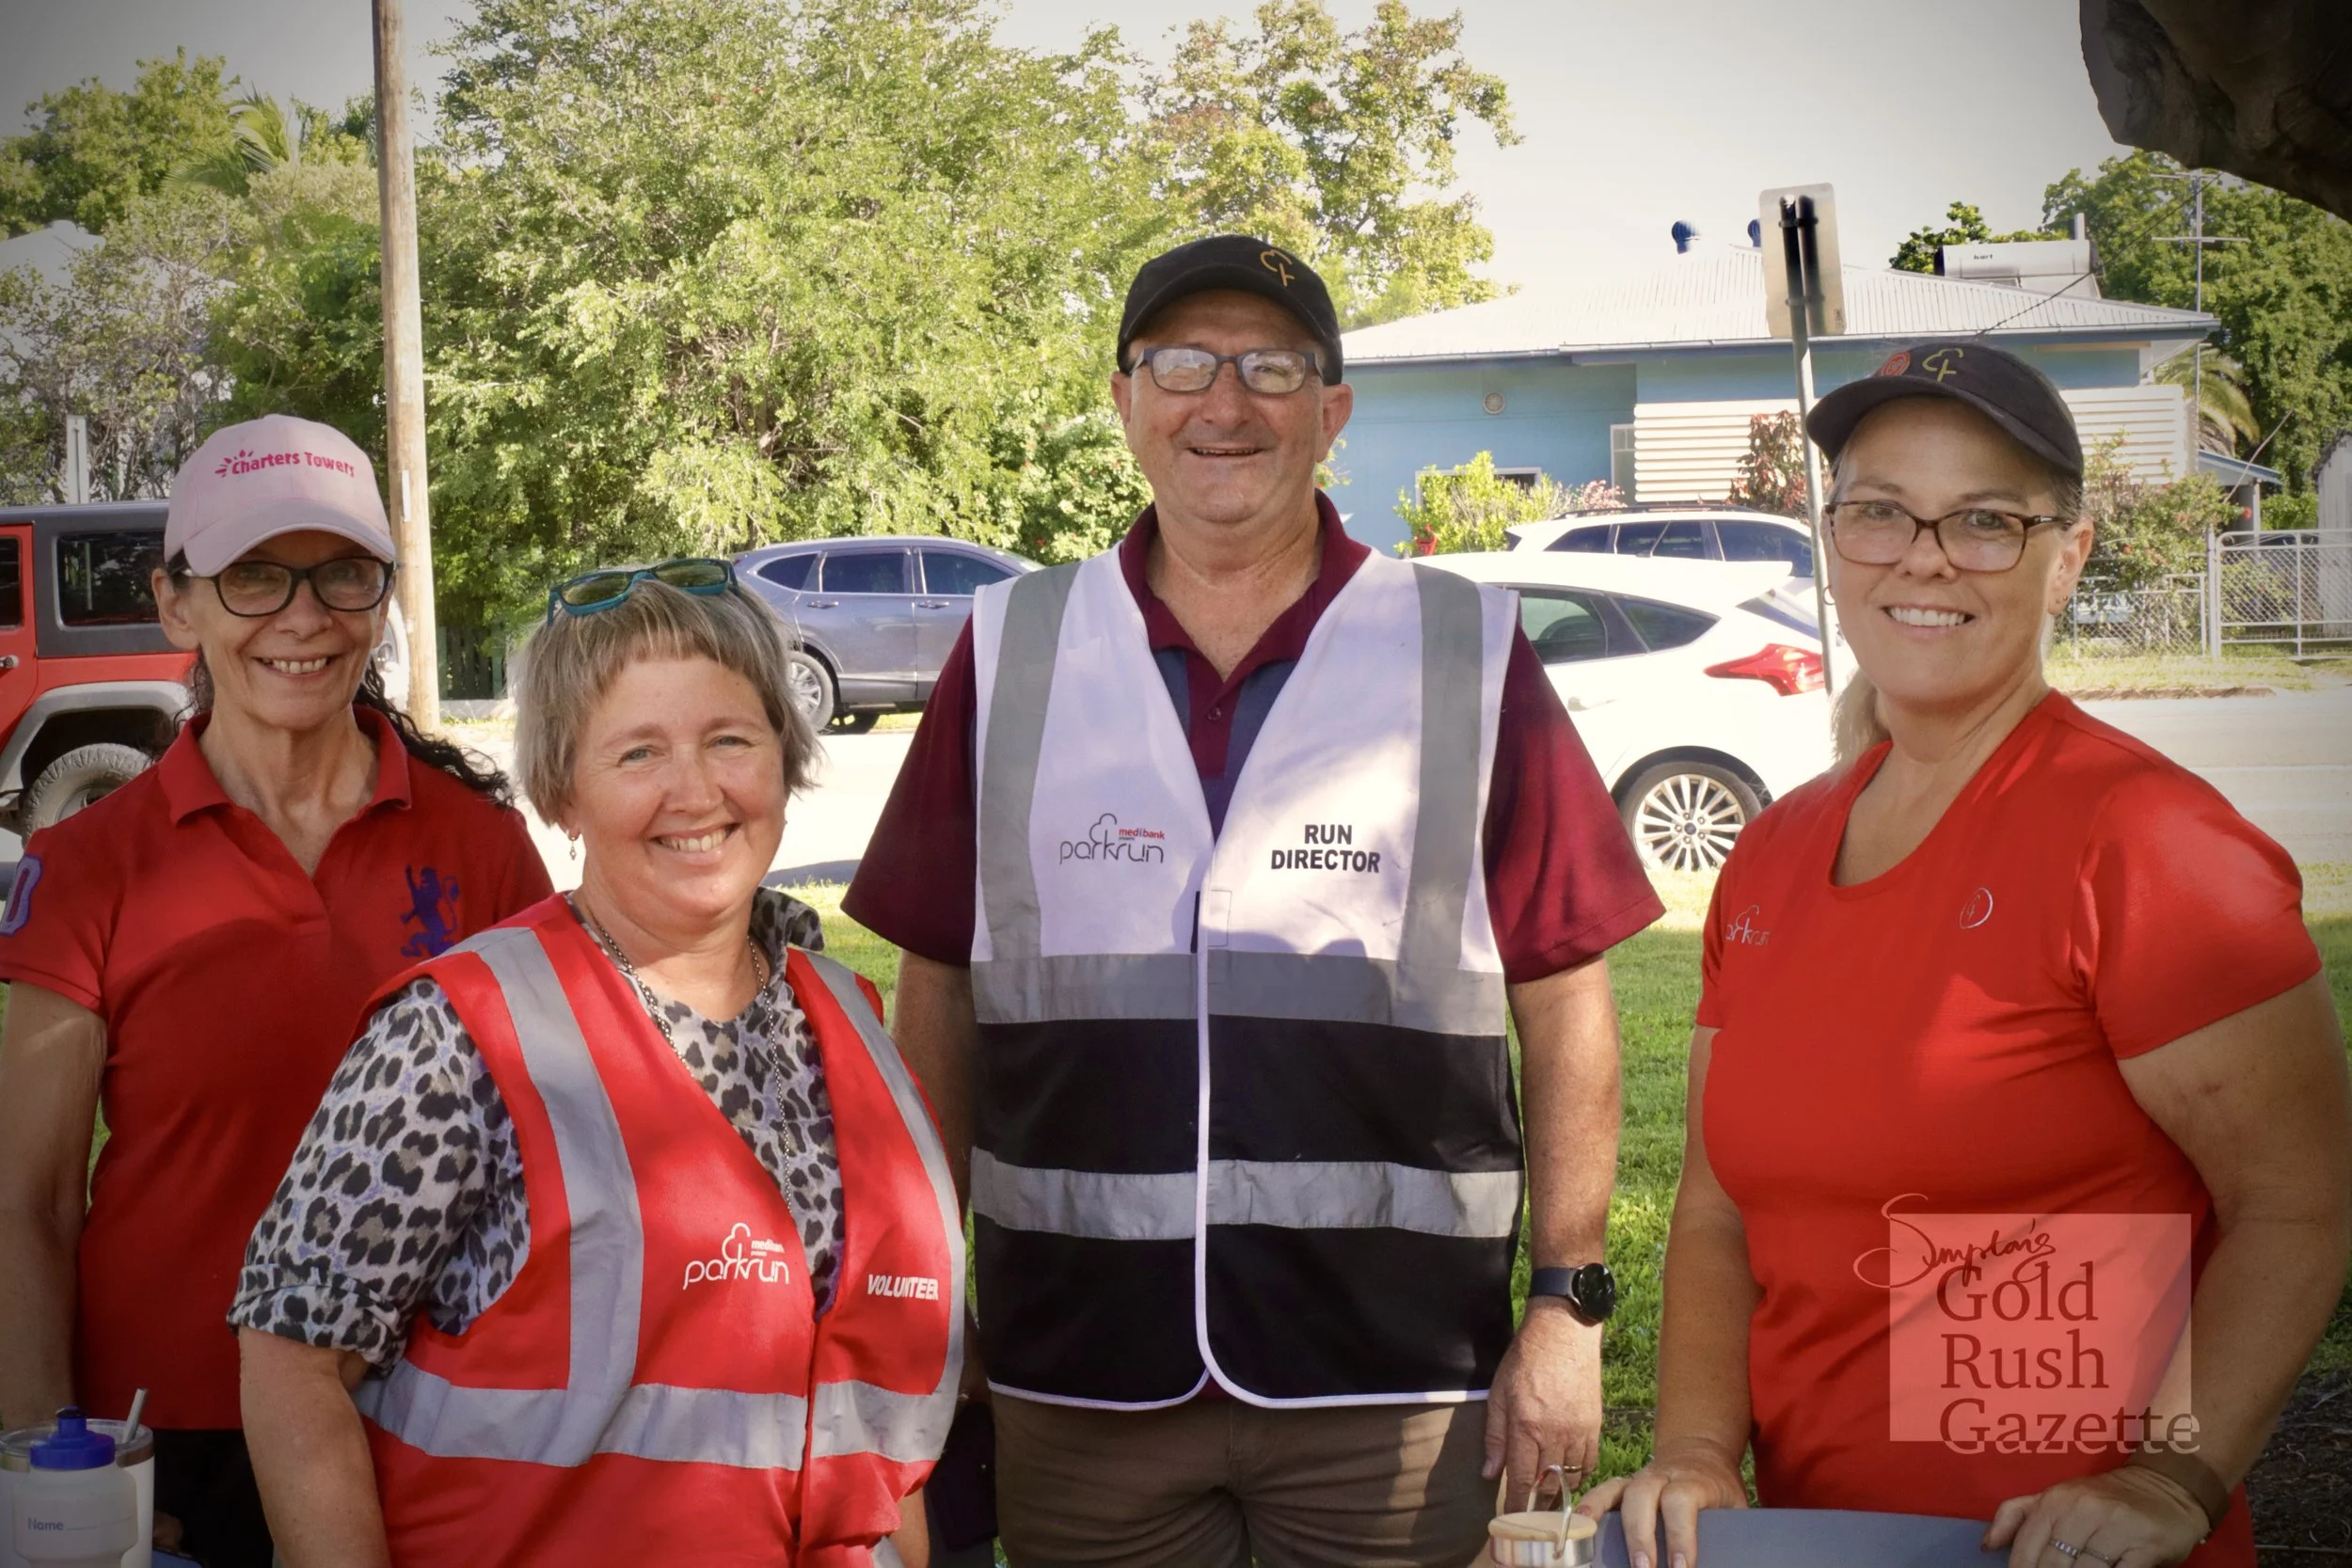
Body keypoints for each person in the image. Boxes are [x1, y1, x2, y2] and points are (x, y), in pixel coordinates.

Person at [844, 235, 1663, 1567]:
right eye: (1181, 363)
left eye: (1270, 367)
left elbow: (1565, 996)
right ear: (1123, 401)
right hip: (1081, 1374)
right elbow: (937, 986)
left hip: (1392, 1383)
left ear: (1332, 412)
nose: (1223, 403)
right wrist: (935, 1300)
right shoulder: (1011, 649)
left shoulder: (1464, 645)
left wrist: (1569, 1305)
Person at [1579, 342, 2351, 1568]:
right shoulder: (1771, 857)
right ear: (1832, 540)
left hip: (2071, 1551)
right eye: (1881, 510)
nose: (1924, 555)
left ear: (2068, 555)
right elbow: (1719, 1208)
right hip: (1817, 1539)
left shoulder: (2148, 841)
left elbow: (2302, 1200)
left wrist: (2169, 1478)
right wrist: (1694, 1449)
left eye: (1985, 519)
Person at [233, 562, 962, 1568]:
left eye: (731, 740)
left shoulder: (843, 1016)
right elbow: (291, 1357)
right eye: (638, 752)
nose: (696, 790)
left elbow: (870, 1403)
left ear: (784, 759)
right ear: (561, 793)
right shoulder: (459, 1031)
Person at [0, 415, 551, 1566]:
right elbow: (28, 1204)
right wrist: (56, 1470)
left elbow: (549, 1163)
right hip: (174, 1432)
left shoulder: (484, 846)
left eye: (342, 572)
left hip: (434, 1408)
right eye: (253, 576)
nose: (304, 616)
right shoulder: (92, 863)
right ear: (176, 604)